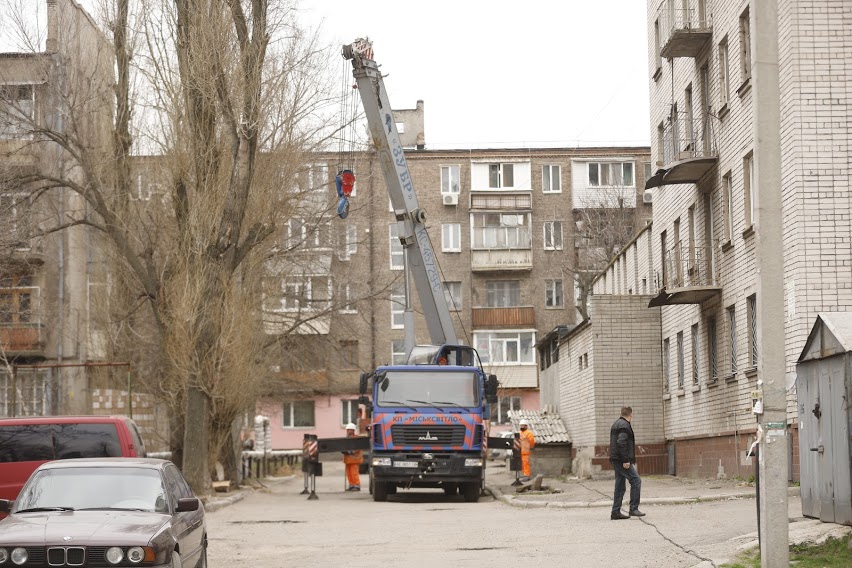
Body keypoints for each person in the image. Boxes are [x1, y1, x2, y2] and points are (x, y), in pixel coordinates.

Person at [610, 406, 644, 519]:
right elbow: (621, 442)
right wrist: (625, 460)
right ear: (631, 415)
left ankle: (615, 512)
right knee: (636, 480)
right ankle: (633, 508)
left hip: (616, 458)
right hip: (621, 460)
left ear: (621, 413)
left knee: (620, 485)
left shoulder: (616, 423)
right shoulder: (624, 425)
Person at [342, 423, 363, 491]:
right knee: (349, 473)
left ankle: (356, 485)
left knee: (354, 473)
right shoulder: (346, 439)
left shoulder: (356, 438)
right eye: (347, 430)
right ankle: (351, 485)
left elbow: (358, 447)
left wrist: (351, 452)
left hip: (354, 460)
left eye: (349, 430)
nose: (348, 431)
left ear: (353, 430)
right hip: (348, 460)